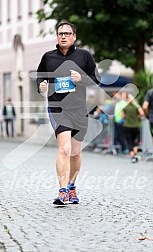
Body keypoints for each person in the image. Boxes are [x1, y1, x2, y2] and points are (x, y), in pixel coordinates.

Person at [37, 20, 99, 205]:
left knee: (76, 153)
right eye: (60, 33)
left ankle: (72, 186)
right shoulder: (48, 57)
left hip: (79, 110)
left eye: (67, 33)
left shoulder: (84, 56)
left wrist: (82, 78)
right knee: (64, 149)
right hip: (58, 108)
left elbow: (96, 80)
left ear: (74, 36)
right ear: (57, 36)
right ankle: (62, 190)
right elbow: (41, 77)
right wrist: (41, 86)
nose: (63, 36)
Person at [122, 94, 144, 163]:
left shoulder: (125, 106)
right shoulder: (136, 106)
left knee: (129, 141)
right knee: (136, 141)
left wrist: (127, 118)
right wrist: (138, 117)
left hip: (127, 126)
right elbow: (142, 113)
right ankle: (135, 155)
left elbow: (122, 116)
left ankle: (132, 157)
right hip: (136, 126)